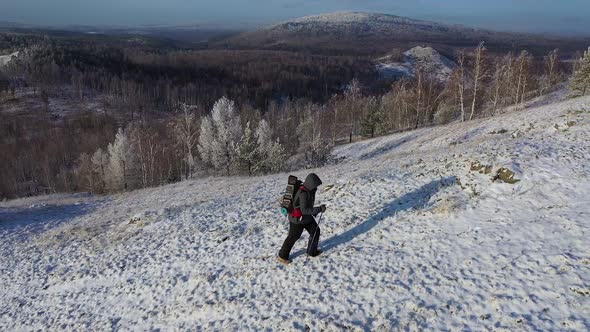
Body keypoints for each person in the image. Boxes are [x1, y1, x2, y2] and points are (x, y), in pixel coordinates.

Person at [278, 173, 327, 264]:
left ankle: (311, 251)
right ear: (311, 184)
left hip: (305, 218)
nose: (316, 187)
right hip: (297, 219)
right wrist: (319, 209)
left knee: (315, 231)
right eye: (315, 185)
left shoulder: (309, 190)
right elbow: (305, 210)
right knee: (293, 237)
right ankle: (282, 256)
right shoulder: (303, 194)